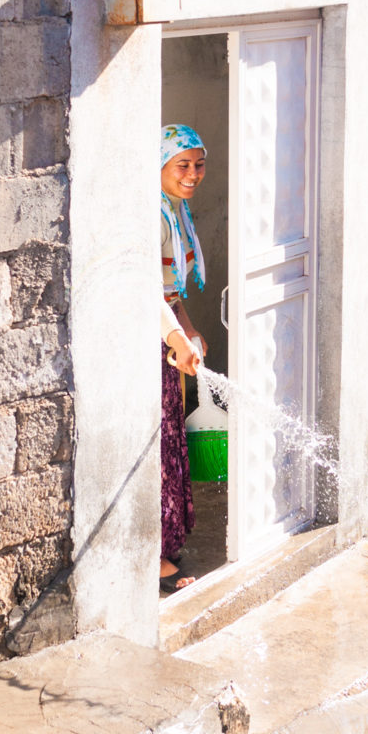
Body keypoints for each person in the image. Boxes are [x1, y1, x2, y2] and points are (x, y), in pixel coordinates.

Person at [159, 124, 208, 593]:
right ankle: (152, 560)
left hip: (165, 337)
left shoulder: (177, 210)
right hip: (142, 340)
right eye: (181, 165)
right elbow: (145, 290)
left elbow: (171, 293)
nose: (192, 174)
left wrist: (189, 330)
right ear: (160, 167)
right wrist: (176, 338)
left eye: (198, 164)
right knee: (153, 442)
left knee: (170, 436)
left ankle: (163, 545)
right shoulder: (152, 214)